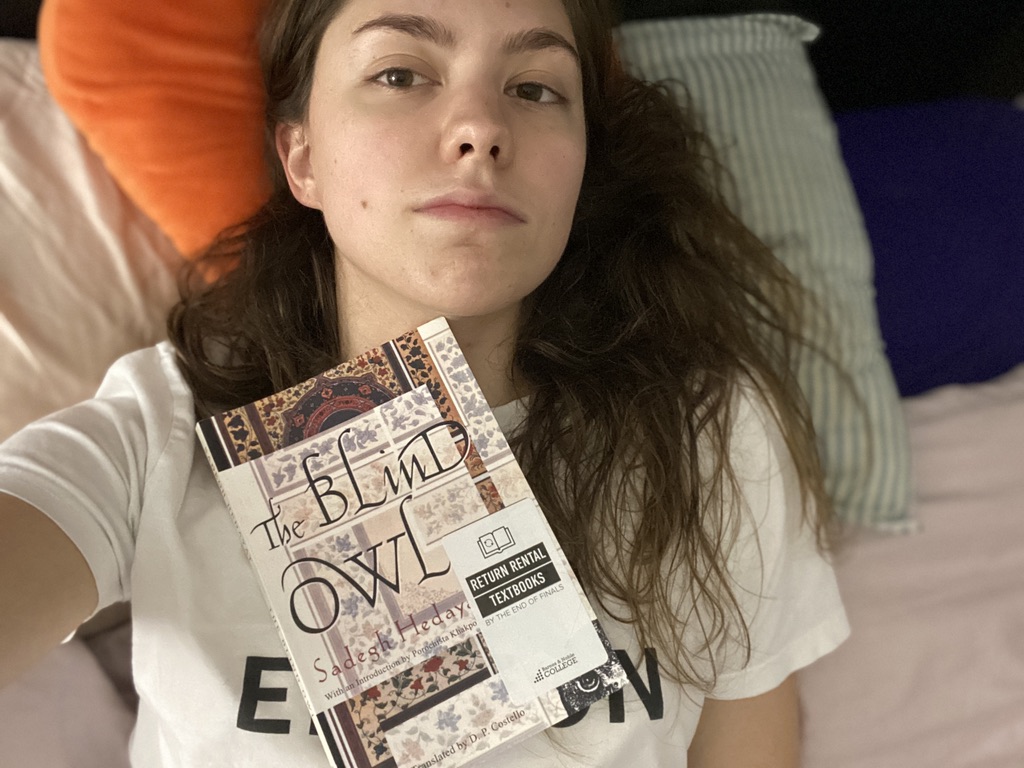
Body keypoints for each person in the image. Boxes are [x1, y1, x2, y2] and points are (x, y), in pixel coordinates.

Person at [0, 0, 849, 765]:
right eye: (401, 74)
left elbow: (748, 738)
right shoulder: (168, 426)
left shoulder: (707, 425)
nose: (480, 127)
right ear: (302, 157)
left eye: (535, 88)